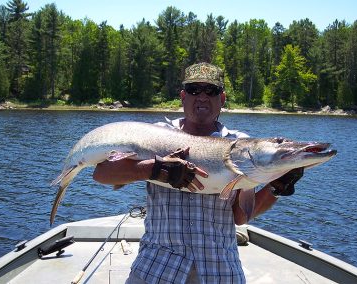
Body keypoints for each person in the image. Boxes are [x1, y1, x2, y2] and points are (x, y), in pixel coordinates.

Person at [93, 62, 304, 283]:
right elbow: (102, 174)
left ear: (221, 98)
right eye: (194, 90)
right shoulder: (155, 135)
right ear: (183, 96)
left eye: (210, 90)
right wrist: (154, 169)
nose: (202, 97)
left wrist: (276, 187)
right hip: (156, 269)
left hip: (220, 272)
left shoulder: (240, 146)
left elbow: (240, 216)